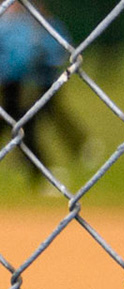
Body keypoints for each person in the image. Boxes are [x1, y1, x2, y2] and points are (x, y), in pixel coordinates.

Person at [0, 1, 83, 188]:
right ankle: (34, 166)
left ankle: (36, 167)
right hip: (10, 84)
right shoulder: (8, 27)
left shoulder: (38, 26)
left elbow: (58, 51)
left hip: (32, 83)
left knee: (25, 123)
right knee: (20, 123)